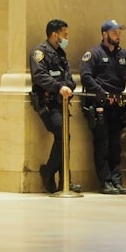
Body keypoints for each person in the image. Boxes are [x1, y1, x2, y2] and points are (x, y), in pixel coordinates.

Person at [80, 19, 126, 194]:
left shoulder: (122, 54)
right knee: (103, 144)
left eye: (119, 32)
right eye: (114, 32)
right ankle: (105, 182)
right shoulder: (94, 54)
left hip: (117, 107)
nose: (118, 35)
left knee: (116, 144)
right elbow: (86, 77)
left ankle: (116, 181)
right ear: (104, 34)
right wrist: (103, 94)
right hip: (100, 105)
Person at [29, 19, 80, 194]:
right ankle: (50, 171)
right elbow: (40, 76)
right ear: (54, 34)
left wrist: (69, 86)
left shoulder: (61, 54)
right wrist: (59, 87)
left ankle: (64, 180)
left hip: (61, 103)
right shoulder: (39, 53)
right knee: (62, 134)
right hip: (47, 103)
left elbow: (68, 78)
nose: (67, 38)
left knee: (65, 136)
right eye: (65, 34)